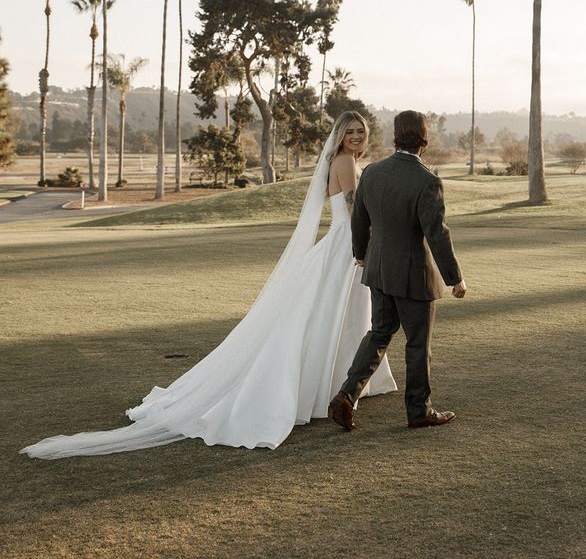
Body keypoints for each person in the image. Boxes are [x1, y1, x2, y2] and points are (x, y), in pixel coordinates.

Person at [20, 112, 396, 459]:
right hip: (348, 246)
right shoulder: (345, 163)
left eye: (361, 131)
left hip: (343, 245)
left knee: (341, 315)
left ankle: (345, 382)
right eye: (350, 131)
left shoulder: (345, 161)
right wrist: (366, 244)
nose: (357, 136)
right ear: (340, 136)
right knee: (338, 315)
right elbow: (350, 206)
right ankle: (334, 385)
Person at [329, 109, 466, 433]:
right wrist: (455, 278)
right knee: (417, 343)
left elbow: (359, 220)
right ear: (425, 139)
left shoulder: (373, 172)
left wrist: (361, 255)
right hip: (413, 277)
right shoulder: (427, 181)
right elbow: (437, 234)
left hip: (378, 270)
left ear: (395, 137)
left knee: (379, 333)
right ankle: (419, 410)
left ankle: (346, 396)